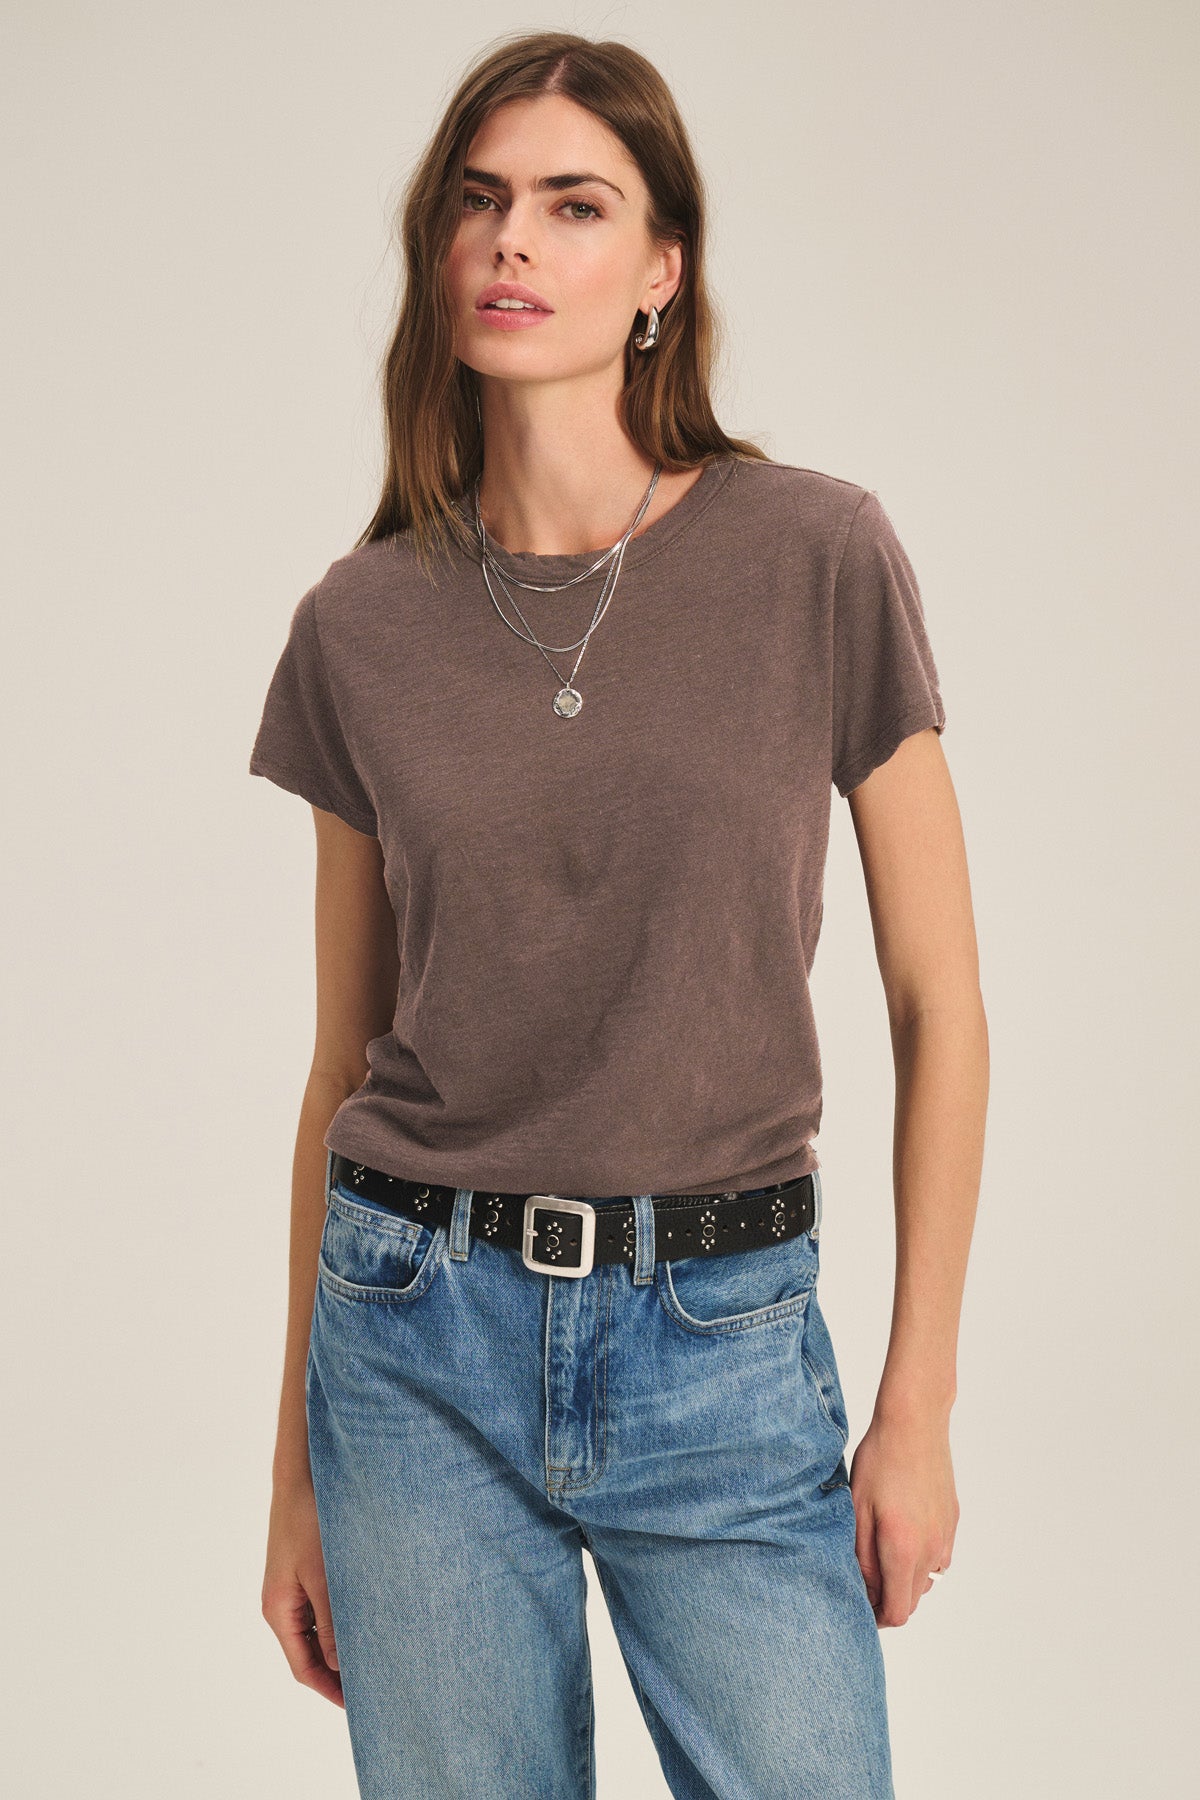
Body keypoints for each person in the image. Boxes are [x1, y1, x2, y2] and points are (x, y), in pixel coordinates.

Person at [250, 29, 986, 1800]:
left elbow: (938, 1002)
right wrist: (294, 1466)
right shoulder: (361, 623)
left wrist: (916, 1409)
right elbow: (343, 1056)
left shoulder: (817, 555)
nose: (516, 243)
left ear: (661, 271)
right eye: (482, 206)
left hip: (724, 1343)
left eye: (574, 207)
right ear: (442, 261)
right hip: (410, 1333)